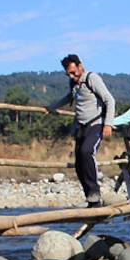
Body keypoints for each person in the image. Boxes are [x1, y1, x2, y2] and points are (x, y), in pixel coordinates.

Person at [46, 54, 115, 207]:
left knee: (87, 151)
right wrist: (51, 107)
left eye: (73, 72)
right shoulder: (74, 84)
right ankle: (90, 197)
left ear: (80, 66)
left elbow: (109, 100)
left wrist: (108, 124)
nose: (72, 76)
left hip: (95, 124)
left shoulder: (92, 78)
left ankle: (95, 193)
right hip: (80, 126)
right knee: (78, 164)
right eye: (68, 74)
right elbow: (68, 98)